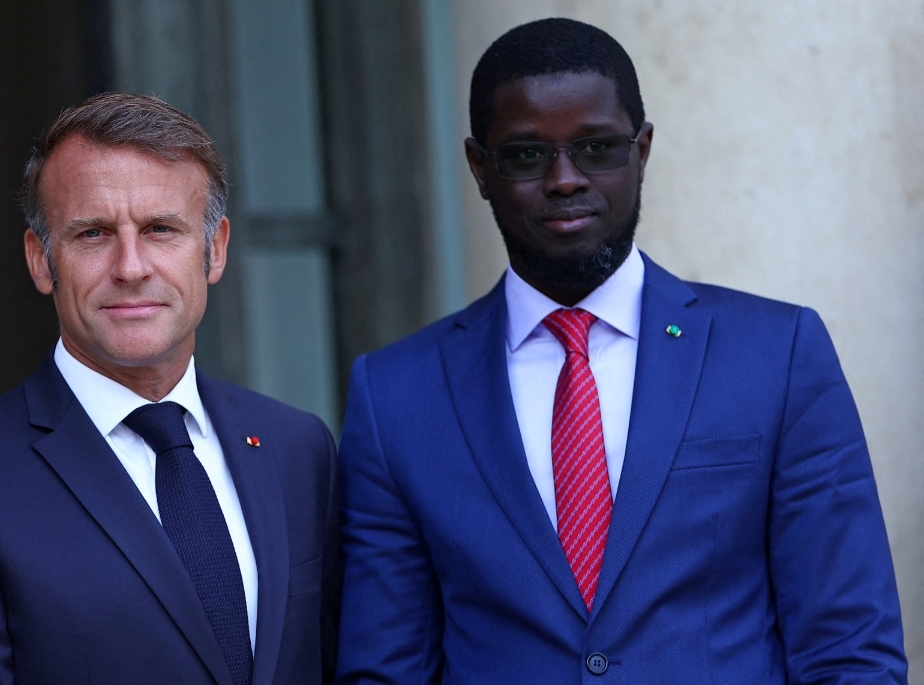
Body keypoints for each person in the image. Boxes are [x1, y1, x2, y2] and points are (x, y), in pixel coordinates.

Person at [334, 18, 906, 684]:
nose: (566, 179)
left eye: (598, 147)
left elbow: (849, 648)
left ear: (644, 150)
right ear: (478, 168)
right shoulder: (395, 393)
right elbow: (384, 667)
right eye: (526, 155)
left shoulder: (777, 354)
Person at [0, 93, 338, 684]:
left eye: (161, 229)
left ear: (214, 250)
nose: (131, 266)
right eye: (93, 234)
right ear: (42, 261)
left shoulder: (297, 448)